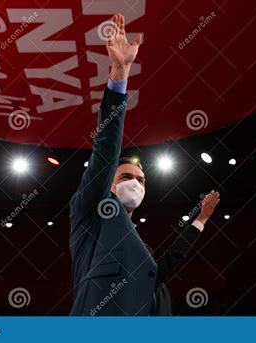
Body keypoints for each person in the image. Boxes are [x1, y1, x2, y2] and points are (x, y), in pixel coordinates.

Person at [69, 14, 220, 316]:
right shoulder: (90, 212)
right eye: (127, 175)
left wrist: (200, 221)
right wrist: (121, 73)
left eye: (142, 179)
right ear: (108, 183)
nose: (136, 183)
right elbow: (106, 149)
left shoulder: (138, 245)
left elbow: (165, 266)